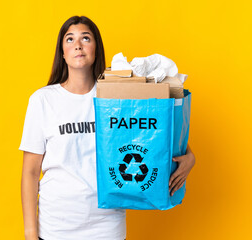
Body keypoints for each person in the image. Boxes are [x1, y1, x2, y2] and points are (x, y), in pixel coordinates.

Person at [19, 15, 195, 240]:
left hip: (107, 225)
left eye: (86, 38)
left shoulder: (115, 97)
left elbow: (155, 132)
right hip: (56, 225)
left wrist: (190, 156)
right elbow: (30, 172)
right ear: (62, 53)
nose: (78, 45)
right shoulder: (43, 100)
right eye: (70, 39)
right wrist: (30, 233)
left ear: (96, 49)